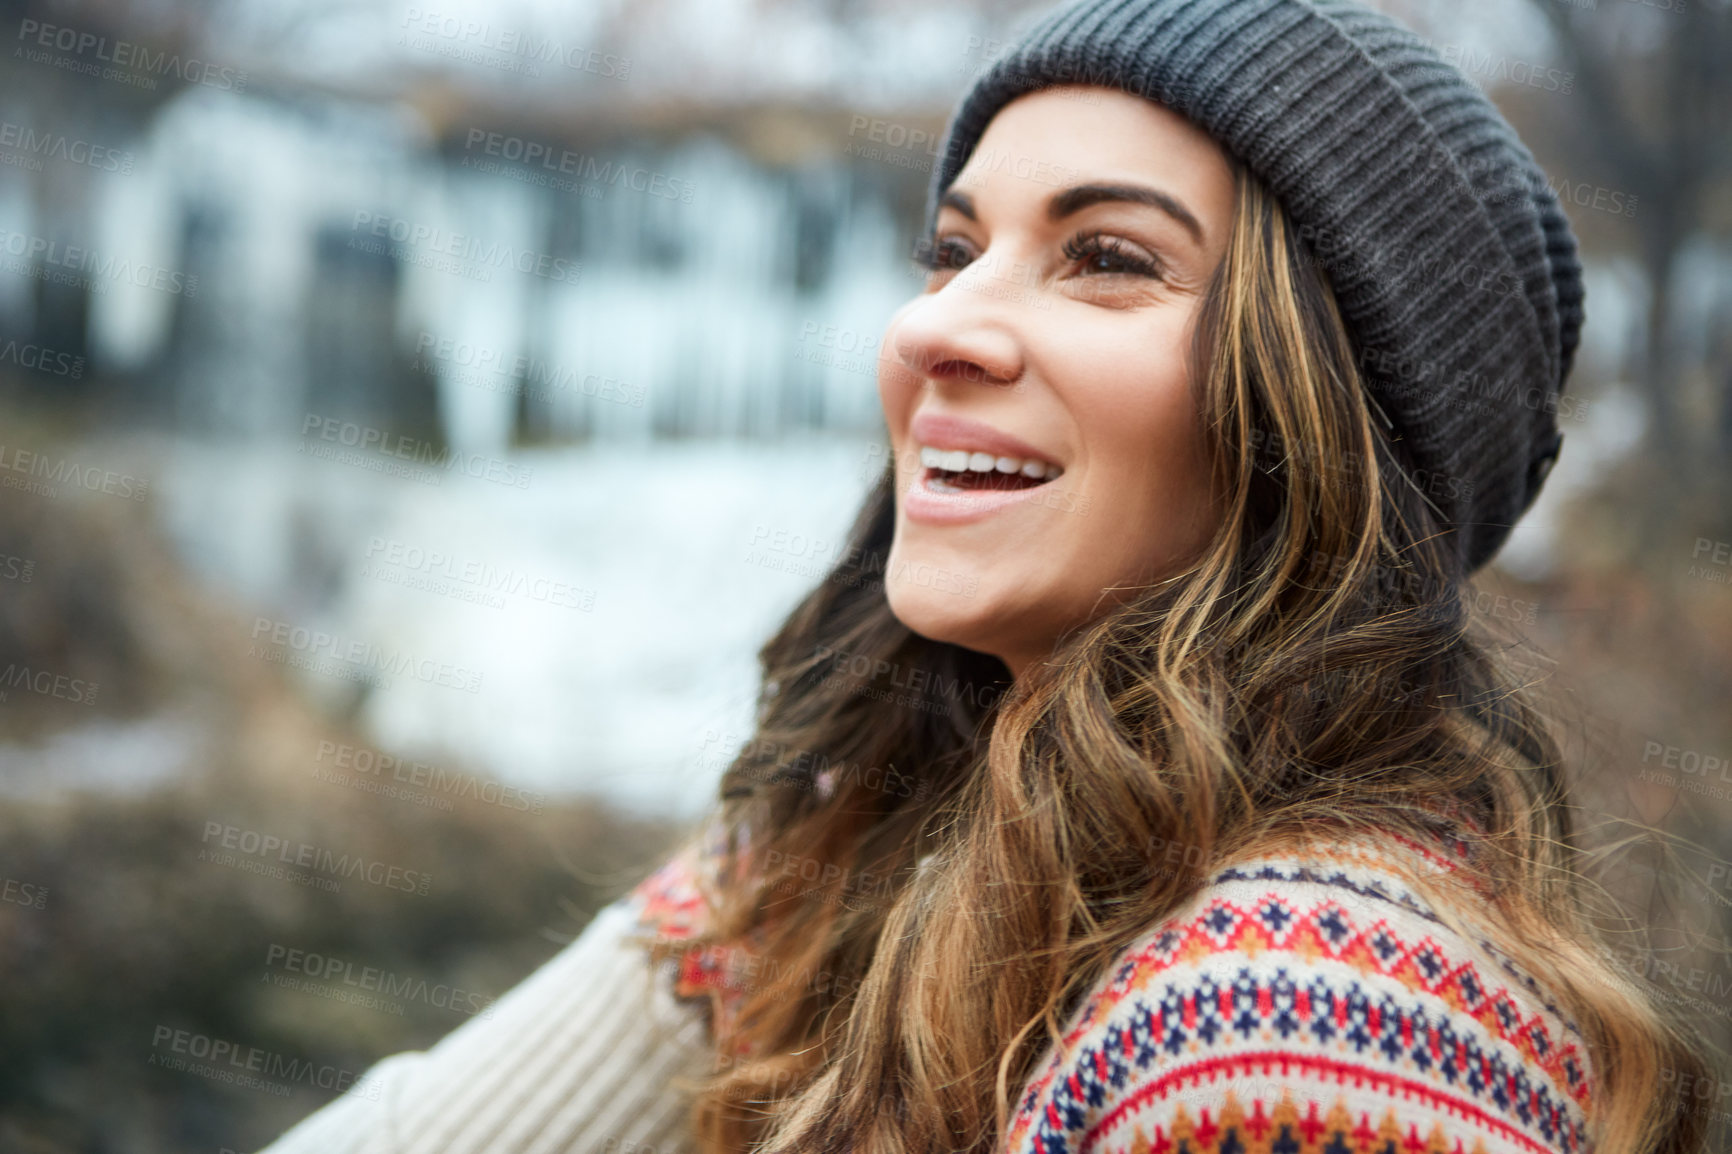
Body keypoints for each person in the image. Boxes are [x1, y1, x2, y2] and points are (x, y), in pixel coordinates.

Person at [257, 0, 1716, 1151]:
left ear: (1324, 414)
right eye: (952, 251)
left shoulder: (1306, 1030)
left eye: (1105, 258)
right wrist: (803, 857)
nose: (937, 328)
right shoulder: (889, 859)